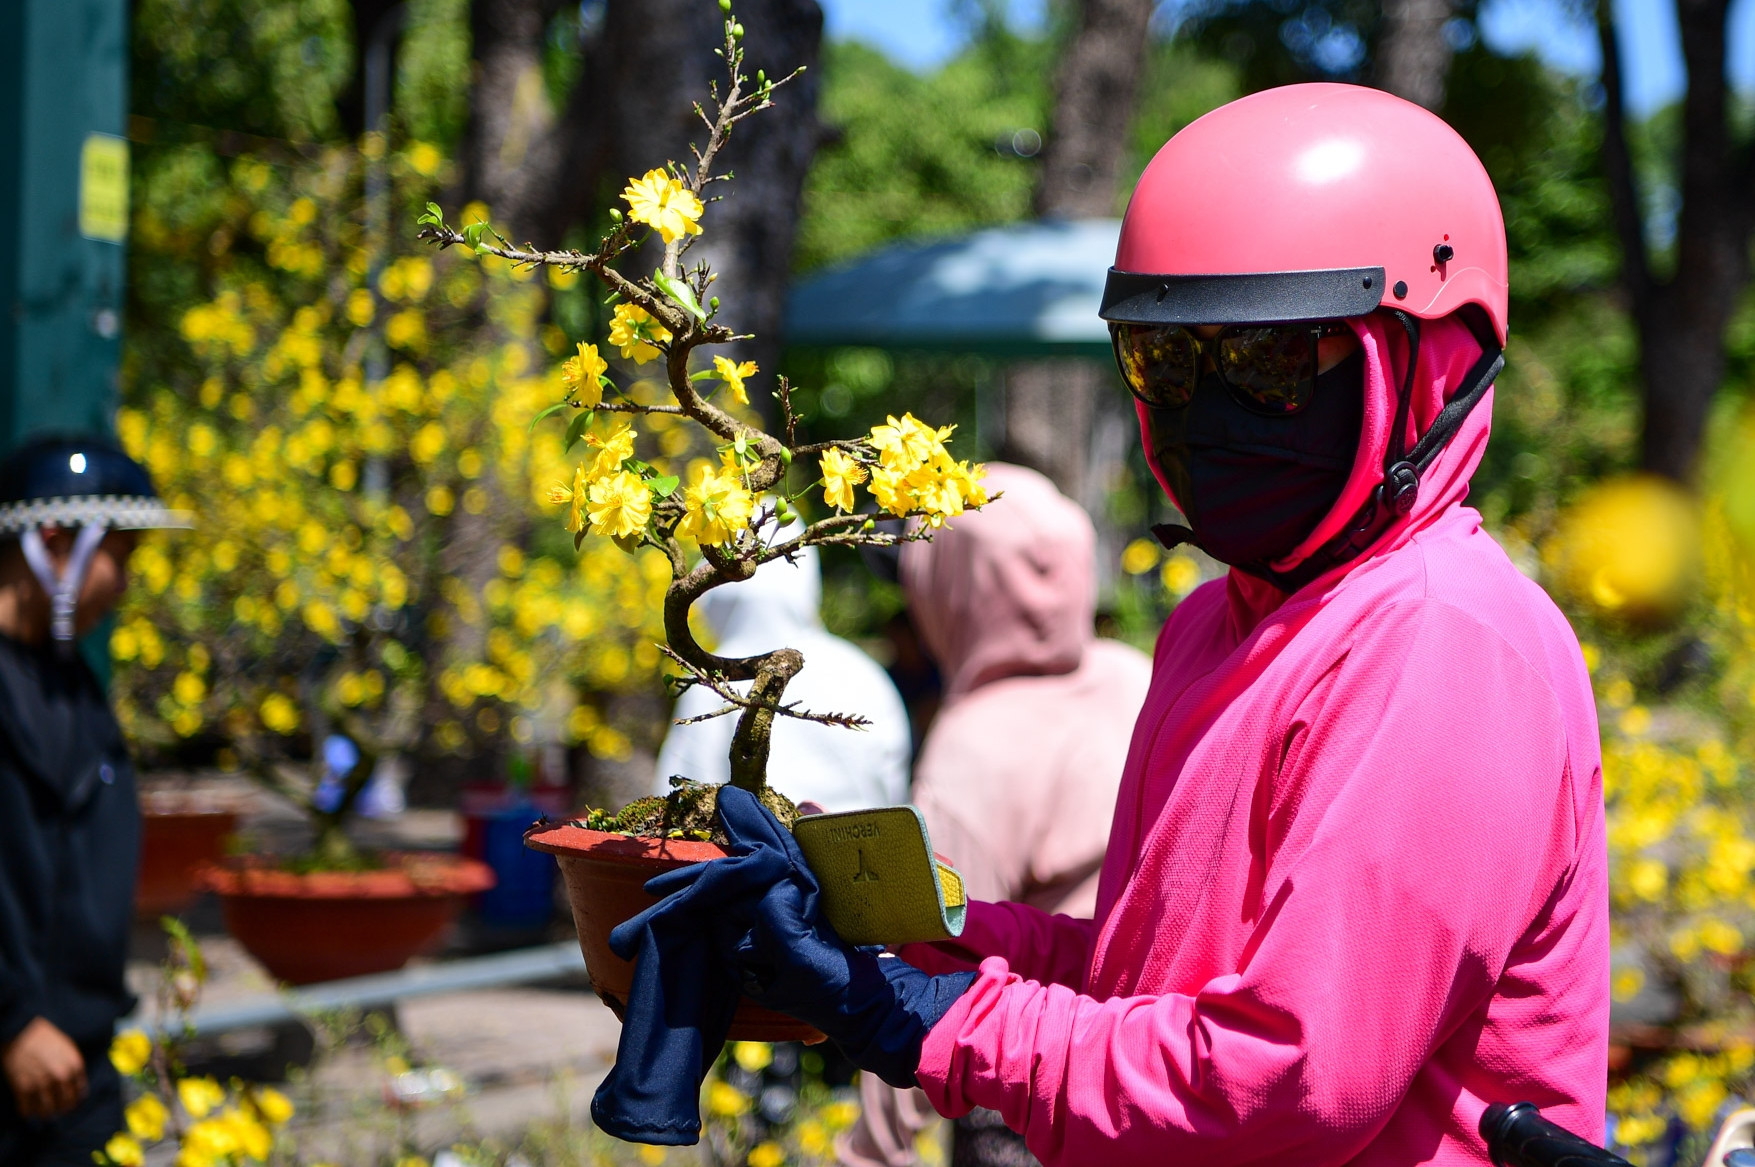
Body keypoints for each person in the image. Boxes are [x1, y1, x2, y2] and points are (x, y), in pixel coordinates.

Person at [654, 83, 1609, 1166]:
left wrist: (943, 1024)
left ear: (1433, 356)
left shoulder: (1441, 644)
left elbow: (1288, 1074)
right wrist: (905, 922)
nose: (1208, 408)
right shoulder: (1220, 625)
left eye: (1271, 360)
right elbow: (1139, 976)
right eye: (1167, 359)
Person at [838, 464, 1152, 1167]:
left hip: (1027, 1087)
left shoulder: (973, 749)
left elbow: (924, 951)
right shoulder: (1141, 678)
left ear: (953, 586)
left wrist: (871, 1149)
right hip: (1151, 1067)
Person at [0, 436, 189, 1165]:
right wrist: (11, 1022)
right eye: (123, 556)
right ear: (55, 539)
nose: (126, 583)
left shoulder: (72, 684)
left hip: (77, 1081)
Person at [654, 533, 912, 813]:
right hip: (857, 850)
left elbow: (679, 798)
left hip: (747, 853)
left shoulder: (714, 685)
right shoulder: (864, 674)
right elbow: (894, 788)